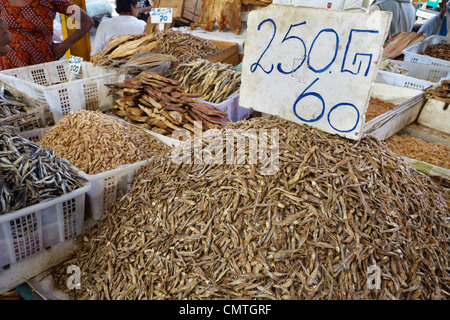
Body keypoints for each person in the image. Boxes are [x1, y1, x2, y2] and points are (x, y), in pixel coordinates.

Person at [0, 0, 94, 70]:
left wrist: (64, 45)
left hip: (42, 65)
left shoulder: (51, 1)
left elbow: (86, 21)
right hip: (8, 67)